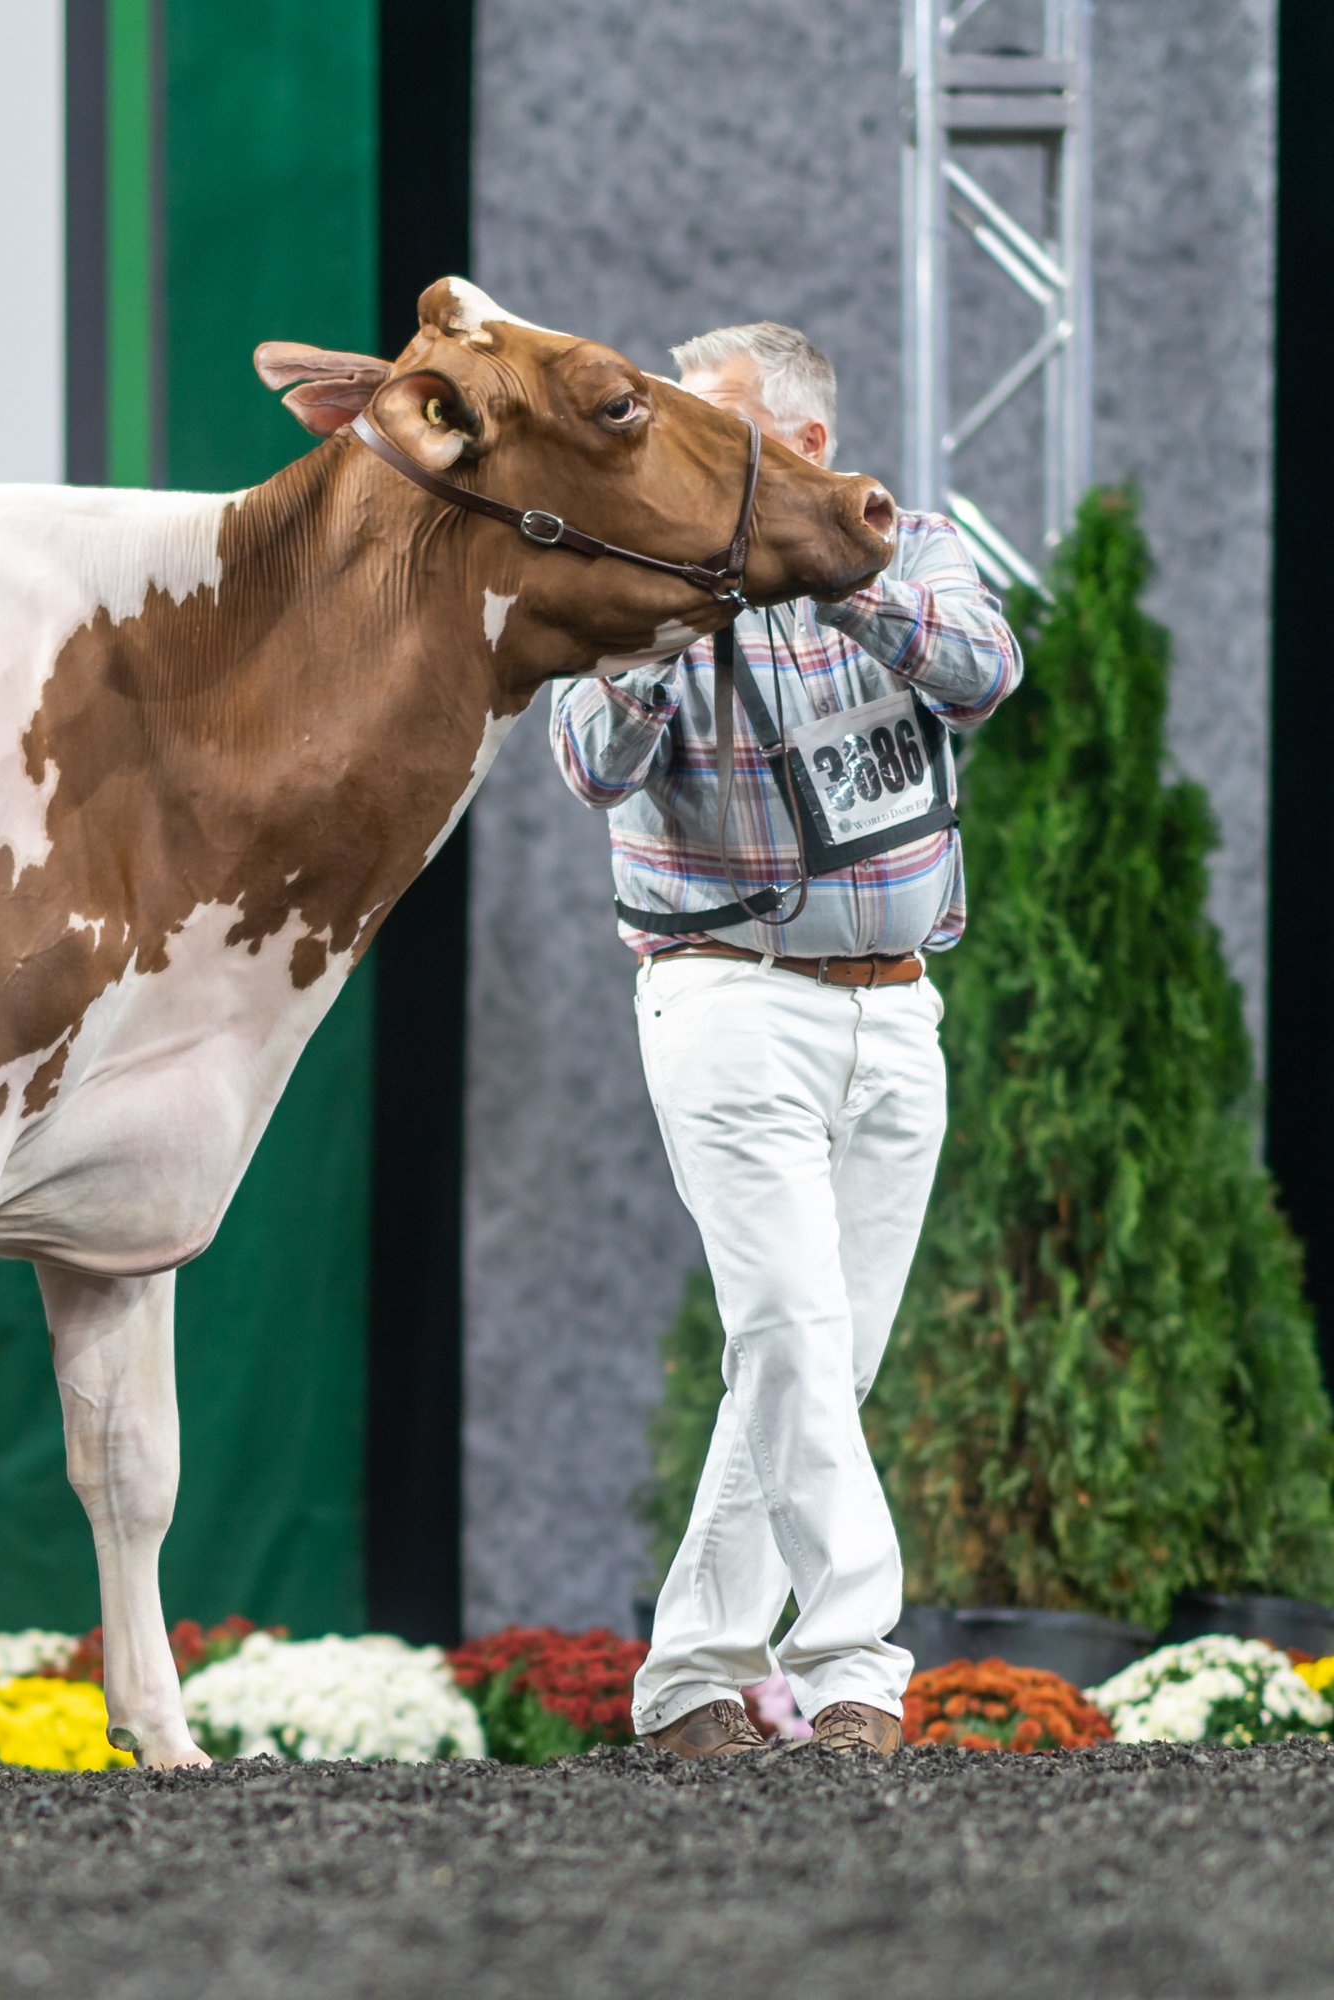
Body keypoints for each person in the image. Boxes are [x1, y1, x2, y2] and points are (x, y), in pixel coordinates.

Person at [553, 321, 1023, 1757]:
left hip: (900, 1004)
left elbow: (985, 672)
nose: (679, 449)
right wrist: (665, 627)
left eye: (717, 425)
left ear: (806, 447)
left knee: (822, 1360)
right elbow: (589, 763)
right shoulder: (643, 575)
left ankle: (688, 1677)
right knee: (793, 1336)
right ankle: (855, 1670)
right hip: (728, 993)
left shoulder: (912, 545)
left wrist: (842, 575)